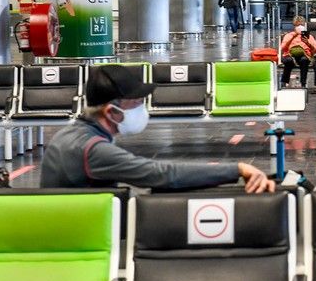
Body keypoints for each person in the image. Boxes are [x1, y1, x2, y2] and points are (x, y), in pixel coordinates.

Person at [40, 65, 274, 192]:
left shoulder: (70, 134)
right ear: (112, 112)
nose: (143, 109)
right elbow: (162, 175)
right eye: (137, 103)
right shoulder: (93, 150)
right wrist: (238, 169)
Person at [280, 15, 316, 88]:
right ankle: (284, 82)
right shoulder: (289, 35)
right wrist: (293, 36)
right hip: (290, 54)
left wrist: (307, 43)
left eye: (301, 25)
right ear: (294, 26)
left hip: (304, 55)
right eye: (298, 25)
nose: (300, 26)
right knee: (288, 61)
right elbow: (283, 48)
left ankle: (303, 83)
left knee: (304, 60)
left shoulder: (308, 36)